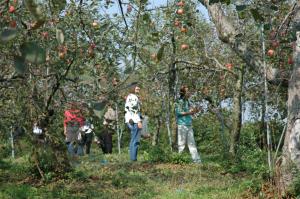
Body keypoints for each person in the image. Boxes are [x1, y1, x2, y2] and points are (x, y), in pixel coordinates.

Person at [175, 85, 201, 163]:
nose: (189, 93)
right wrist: (189, 112)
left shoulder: (188, 101)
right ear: (183, 92)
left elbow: (190, 112)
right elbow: (178, 113)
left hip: (189, 124)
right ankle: (179, 160)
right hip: (182, 125)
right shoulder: (179, 101)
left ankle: (197, 161)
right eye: (187, 91)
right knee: (181, 144)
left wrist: (195, 111)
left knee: (192, 143)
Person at [125, 85, 142, 161]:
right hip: (134, 121)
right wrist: (138, 121)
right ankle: (133, 159)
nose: (139, 88)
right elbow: (134, 109)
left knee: (133, 139)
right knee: (135, 139)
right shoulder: (133, 97)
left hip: (130, 120)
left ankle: (133, 158)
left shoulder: (130, 96)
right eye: (137, 87)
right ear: (133, 88)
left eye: (139, 87)